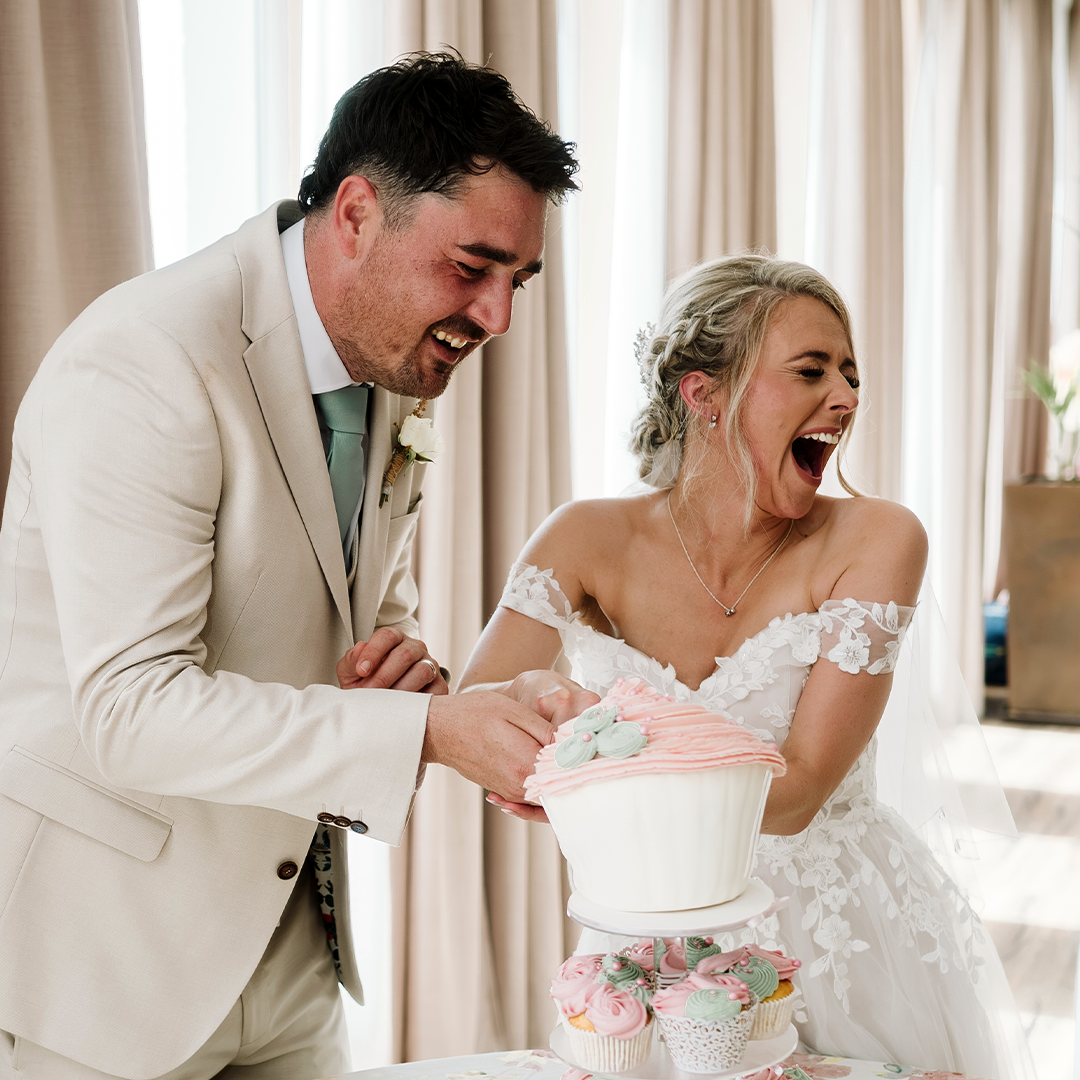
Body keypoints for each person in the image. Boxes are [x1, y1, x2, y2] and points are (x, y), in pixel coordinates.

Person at [0, 53, 585, 1080]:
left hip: (294, 944)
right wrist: (430, 734)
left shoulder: (391, 357)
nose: (496, 317)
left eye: (517, 282)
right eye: (473, 267)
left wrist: (419, 676)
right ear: (358, 212)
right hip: (105, 967)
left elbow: (357, 615)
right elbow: (130, 710)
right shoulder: (147, 364)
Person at [454, 256, 1034, 1078]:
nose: (847, 398)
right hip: (647, 949)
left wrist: (599, 758)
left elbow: (795, 795)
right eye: (811, 370)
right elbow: (479, 719)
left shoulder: (878, 540)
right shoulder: (583, 538)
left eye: (851, 374)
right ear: (706, 394)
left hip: (842, 943)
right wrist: (544, 692)